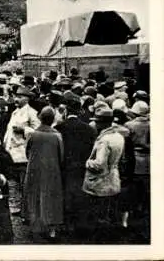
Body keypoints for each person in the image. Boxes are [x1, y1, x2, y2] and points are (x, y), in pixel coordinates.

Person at [54, 92, 97, 236]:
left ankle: (67, 224)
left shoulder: (59, 128)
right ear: (80, 111)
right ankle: (80, 224)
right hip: (81, 166)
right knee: (80, 194)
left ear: (66, 111)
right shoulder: (89, 129)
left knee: (66, 193)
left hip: (65, 166)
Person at [82, 108, 124, 241]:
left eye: (97, 121)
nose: (96, 124)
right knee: (109, 210)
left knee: (98, 213)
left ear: (103, 123)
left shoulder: (103, 140)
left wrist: (88, 162)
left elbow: (99, 164)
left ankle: (99, 240)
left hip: (100, 182)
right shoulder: (119, 136)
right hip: (113, 177)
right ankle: (110, 237)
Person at [23, 106, 64, 239]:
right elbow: (61, 155)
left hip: (34, 169)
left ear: (40, 118)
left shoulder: (33, 134)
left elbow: (27, 152)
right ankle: (51, 229)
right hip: (52, 170)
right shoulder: (57, 136)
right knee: (51, 198)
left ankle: (34, 226)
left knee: (33, 195)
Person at [3, 86, 41, 215]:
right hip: (12, 153)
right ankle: (15, 205)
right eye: (16, 96)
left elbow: (38, 132)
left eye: (20, 97)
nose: (16, 99)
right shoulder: (15, 112)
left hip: (23, 154)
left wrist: (24, 130)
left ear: (27, 99)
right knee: (13, 182)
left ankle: (26, 208)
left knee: (24, 182)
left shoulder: (32, 113)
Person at [125, 101, 150, 222]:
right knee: (146, 190)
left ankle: (134, 214)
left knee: (134, 190)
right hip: (149, 160)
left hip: (135, 159)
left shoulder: (129, 125)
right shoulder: (152, 124)